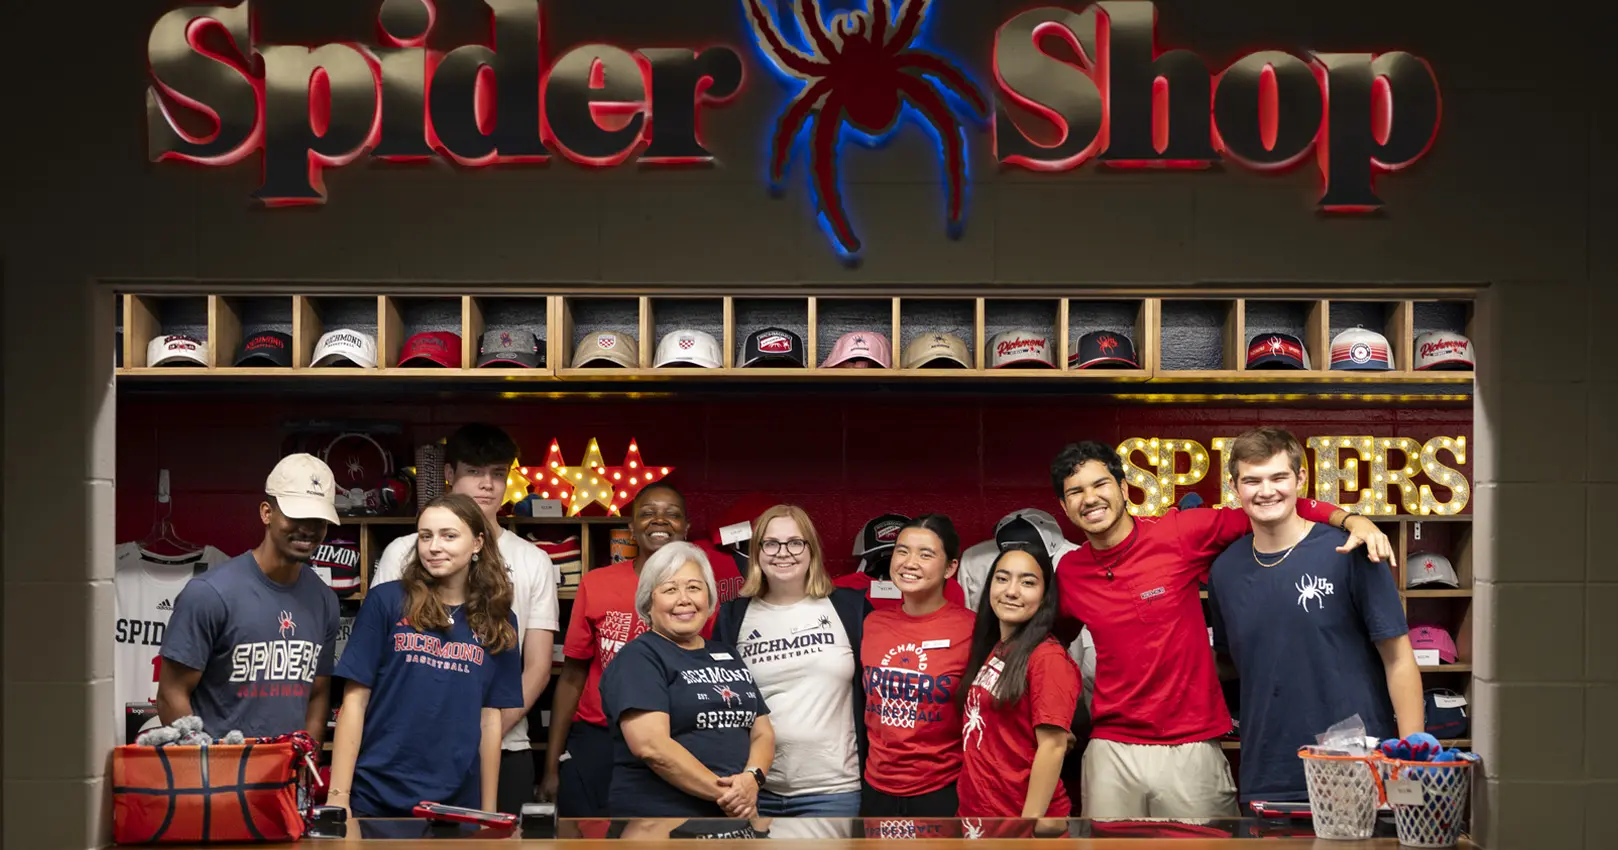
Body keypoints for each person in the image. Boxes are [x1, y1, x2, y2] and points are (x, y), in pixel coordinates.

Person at [1048, 440, 1395, 818]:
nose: (1090, 498)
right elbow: (1049, 644)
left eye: (1100, 484)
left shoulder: (1180, 532)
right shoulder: (1070, 571)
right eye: (1075, 492)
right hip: (1110, 747)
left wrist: (1351, 520)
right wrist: (1055, 721)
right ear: (1065, 507)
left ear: (1122, 488)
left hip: (1191, 744)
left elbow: (1271, 508)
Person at [1208, 427, 1422, 806]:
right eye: (1252, 480)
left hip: (1357, 765)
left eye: (1278, 477)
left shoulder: (1351, 550)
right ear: (1234, 486)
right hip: (1267, 772)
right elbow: (1232, 663)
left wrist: (1410, 761)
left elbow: (1399, 658)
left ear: (1301, 479)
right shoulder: (1225, 571)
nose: (1266, 490)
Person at [371, 423, 557, 814]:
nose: (487, 484)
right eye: (474, 471)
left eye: (498, 474)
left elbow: (537, 667)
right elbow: (380, 658)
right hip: (408, 752)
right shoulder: (403, 551)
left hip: (506, 747)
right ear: (450, 474)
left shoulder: (533, 560)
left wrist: (482, 735)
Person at [326, 494, 524, 817]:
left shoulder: (499, 620)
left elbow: (489, 721)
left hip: (457, 802)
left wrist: (488, 814)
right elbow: (355, 702)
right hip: (376, 796)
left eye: (449, 535)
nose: (434, 547)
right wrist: (339, 798)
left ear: (477, 543)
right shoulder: (386, 602)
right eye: (425, 536)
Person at [156, 453, 342, 739]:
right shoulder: (209, 594)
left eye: (318, 519)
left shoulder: (324, 600)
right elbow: (171, 695)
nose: (308, 528)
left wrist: (305, 765)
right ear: (267, 513)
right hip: (220, 777)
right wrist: (206, 768)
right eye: (296, 515)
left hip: (284, 779)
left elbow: (317, 694)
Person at [543, 482, 702, 816]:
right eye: (647, 513)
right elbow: (572, 676)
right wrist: (552, 767)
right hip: (598, 739)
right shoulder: (597, 583)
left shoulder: (699, 595)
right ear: (631, 527)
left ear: (686, 528)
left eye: (672, 514)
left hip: (674, 741)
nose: (659, 521)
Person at [714, 505, 870, 817]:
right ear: (757, 552)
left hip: (833, 792)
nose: (782, 553)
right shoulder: (734, 616)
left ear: (811, 549)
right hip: (755, 791)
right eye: (770, 543)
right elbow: (720, 701)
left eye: (795, 542)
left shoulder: (849, 609)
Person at [599, 542, 775, 818]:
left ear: (709, 596)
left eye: (694, 587)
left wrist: (752, 779)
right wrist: (731, 797)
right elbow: (652, 747)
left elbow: (762, 732)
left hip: (732, 818)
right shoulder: (639, 658)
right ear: (648, 600)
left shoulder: (727, 654)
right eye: (670, 589)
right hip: (661, 820)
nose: (684, 599)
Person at [859, 514, 977, 817]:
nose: (910, 562)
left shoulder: (971, 630)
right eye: (902, 550)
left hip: (941, 791)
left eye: (926, 554)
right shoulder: (872, 623)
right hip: (876, 790)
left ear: (951, 567)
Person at [957, 546, 1082, 819]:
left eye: (1028, 582)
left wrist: (1025, 832)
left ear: (1045, 595)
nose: (1011, 591)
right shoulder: (998, 647)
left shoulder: (1047, 657)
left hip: (1020, 822)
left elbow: (1053, 747)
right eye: (1002, 579)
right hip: (979, 816)